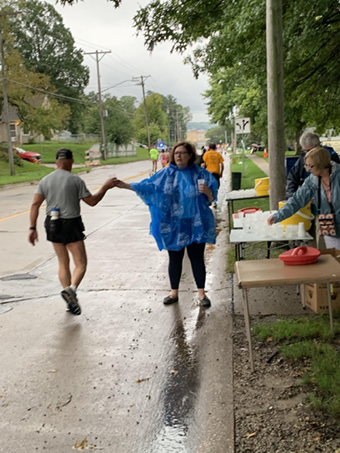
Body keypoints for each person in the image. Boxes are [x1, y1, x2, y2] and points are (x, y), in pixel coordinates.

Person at [114, 141, 218, 307]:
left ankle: (201, 293)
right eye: (176, 153)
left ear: (190, 155)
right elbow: (148, 187)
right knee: (174, 259)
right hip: (174, 224)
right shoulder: (165, 174)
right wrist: (125, 185)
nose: (178, 155)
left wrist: (208, 192)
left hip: (196, 224)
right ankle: (173, 292)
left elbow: (211, 200)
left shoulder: (201, 175)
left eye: (182, 153)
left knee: (197, 259)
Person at [28, 148, 116, 315]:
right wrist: (105, 187)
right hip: (71, 223)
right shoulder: (75, 180)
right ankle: (72, 290)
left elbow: (35, 205)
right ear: (71, 161)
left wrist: (32, 228)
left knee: (63, 262)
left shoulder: (45, 181)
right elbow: (92, 201)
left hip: (52, 223)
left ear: (56, 161)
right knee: (81, 263)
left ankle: (69, 302)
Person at [268, 147, 340, 249]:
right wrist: (278, 216)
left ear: (322, 165)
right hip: (329, 226)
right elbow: (296, 200)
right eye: (306, 165)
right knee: (334, 260)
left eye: (311, 166)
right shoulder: (312, 181)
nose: (308, 169)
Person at [286, 131, 340, 198]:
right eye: (304, 150)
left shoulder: (331, 157)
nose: (307, 154)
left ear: (318, 145)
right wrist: (291, 195)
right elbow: (292, 177)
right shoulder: (303, 159)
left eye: (310, 150)